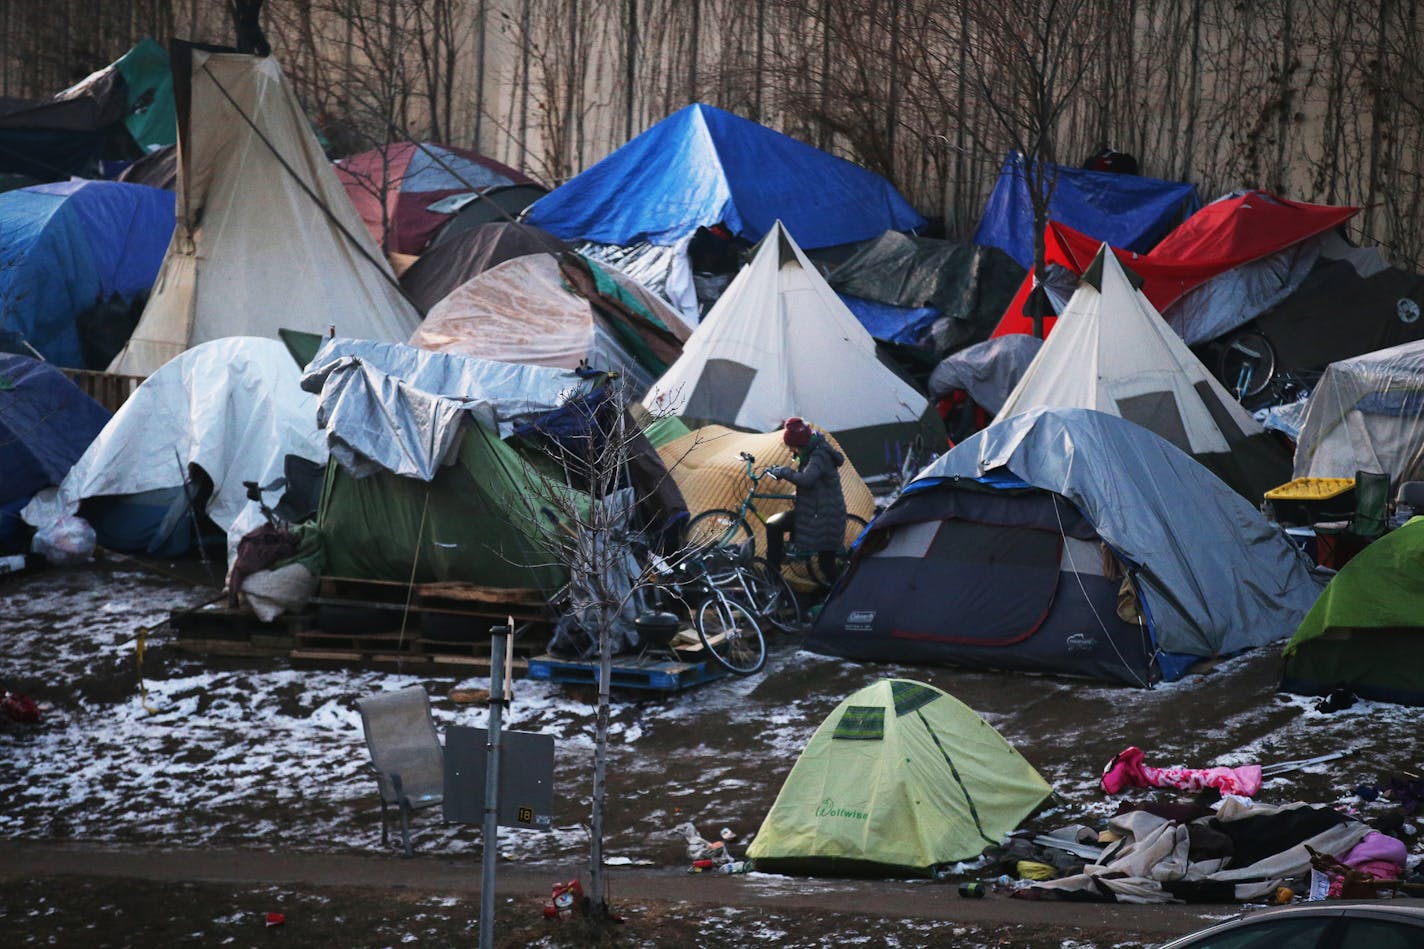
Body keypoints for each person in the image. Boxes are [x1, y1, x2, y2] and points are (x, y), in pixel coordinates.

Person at [765, 417, 847, 581]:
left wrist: (784, 472)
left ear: (800, 445)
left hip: (824, 517)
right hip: (814, 511)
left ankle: (842, 596)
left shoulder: (819, 455)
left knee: (827, 565)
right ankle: (774, 572)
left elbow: (807, 479)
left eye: (792, 447)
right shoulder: (814, 449)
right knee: (774, 524)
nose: (791, 451)